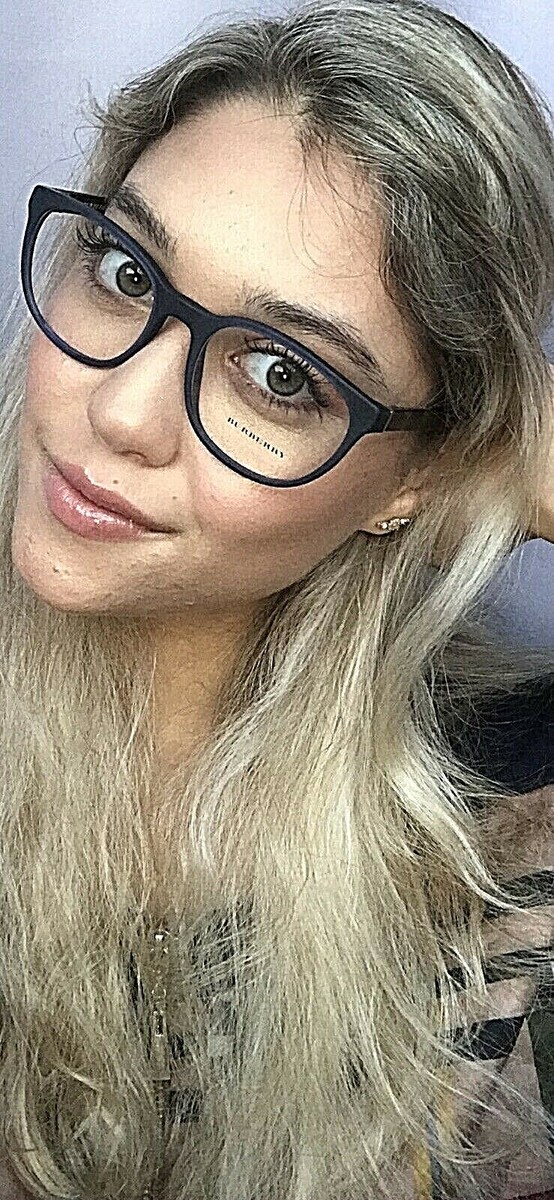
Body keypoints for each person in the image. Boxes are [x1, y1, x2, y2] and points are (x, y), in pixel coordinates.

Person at [0, 1, 553, 1197]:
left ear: (410, 481)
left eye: (280, 373)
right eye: (126, 273)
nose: (120, 412)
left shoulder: (507, 849)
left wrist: (514, 451)